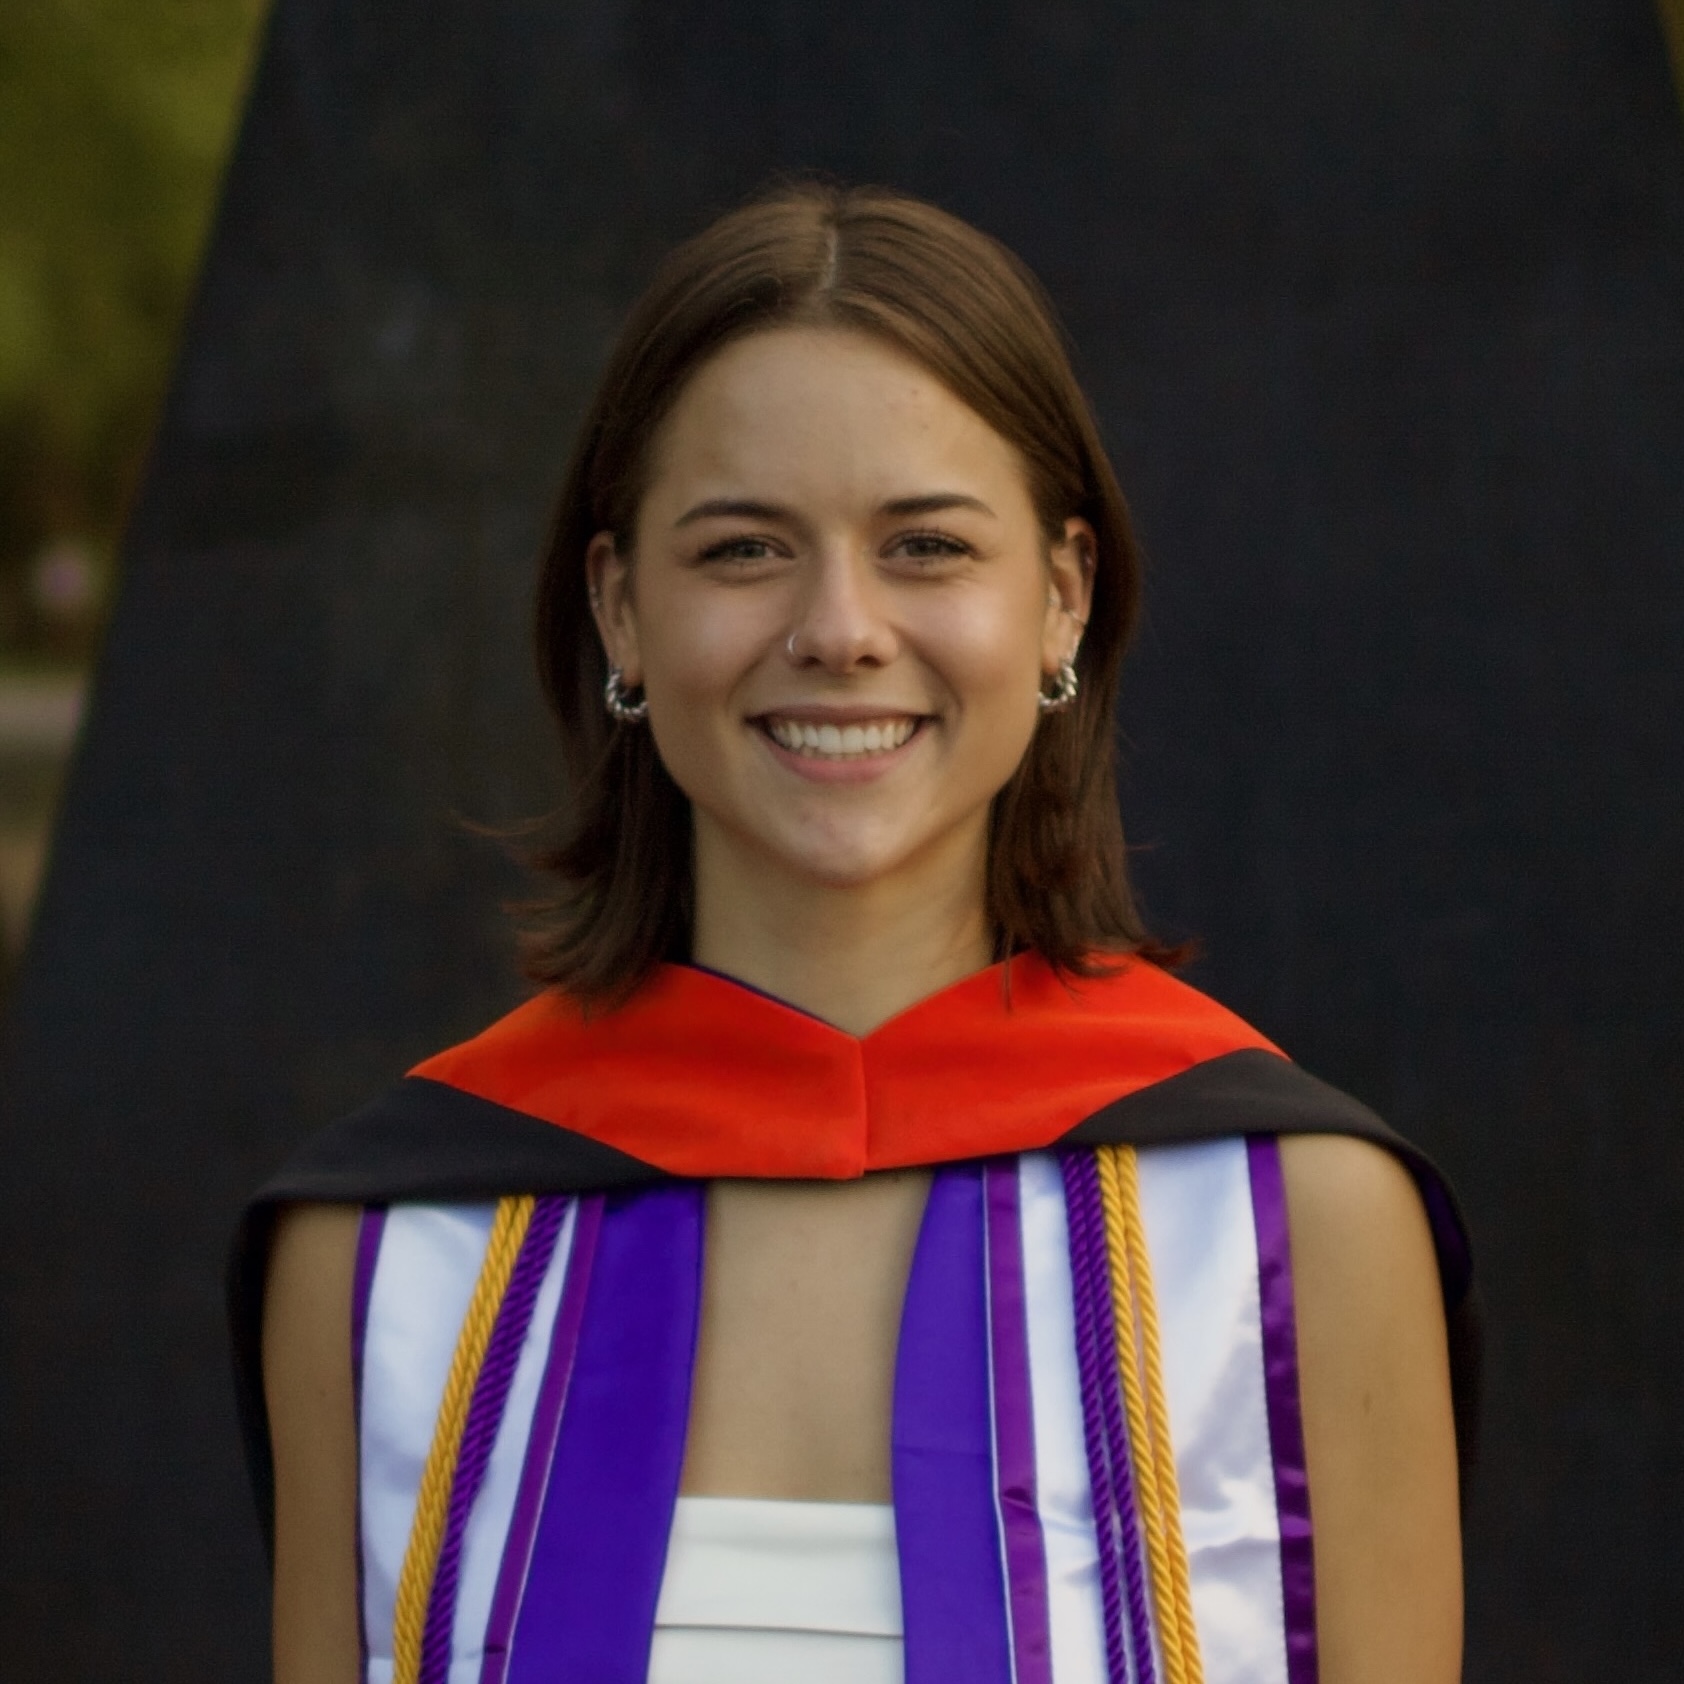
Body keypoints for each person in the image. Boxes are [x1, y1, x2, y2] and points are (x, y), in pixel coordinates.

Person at [233, 183, 1474, 1684]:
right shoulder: (386, 1254)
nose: (839, 627)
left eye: (928, 547)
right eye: (745, 550)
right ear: (622, 610)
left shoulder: (1292, 1228)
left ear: (1062, 599)